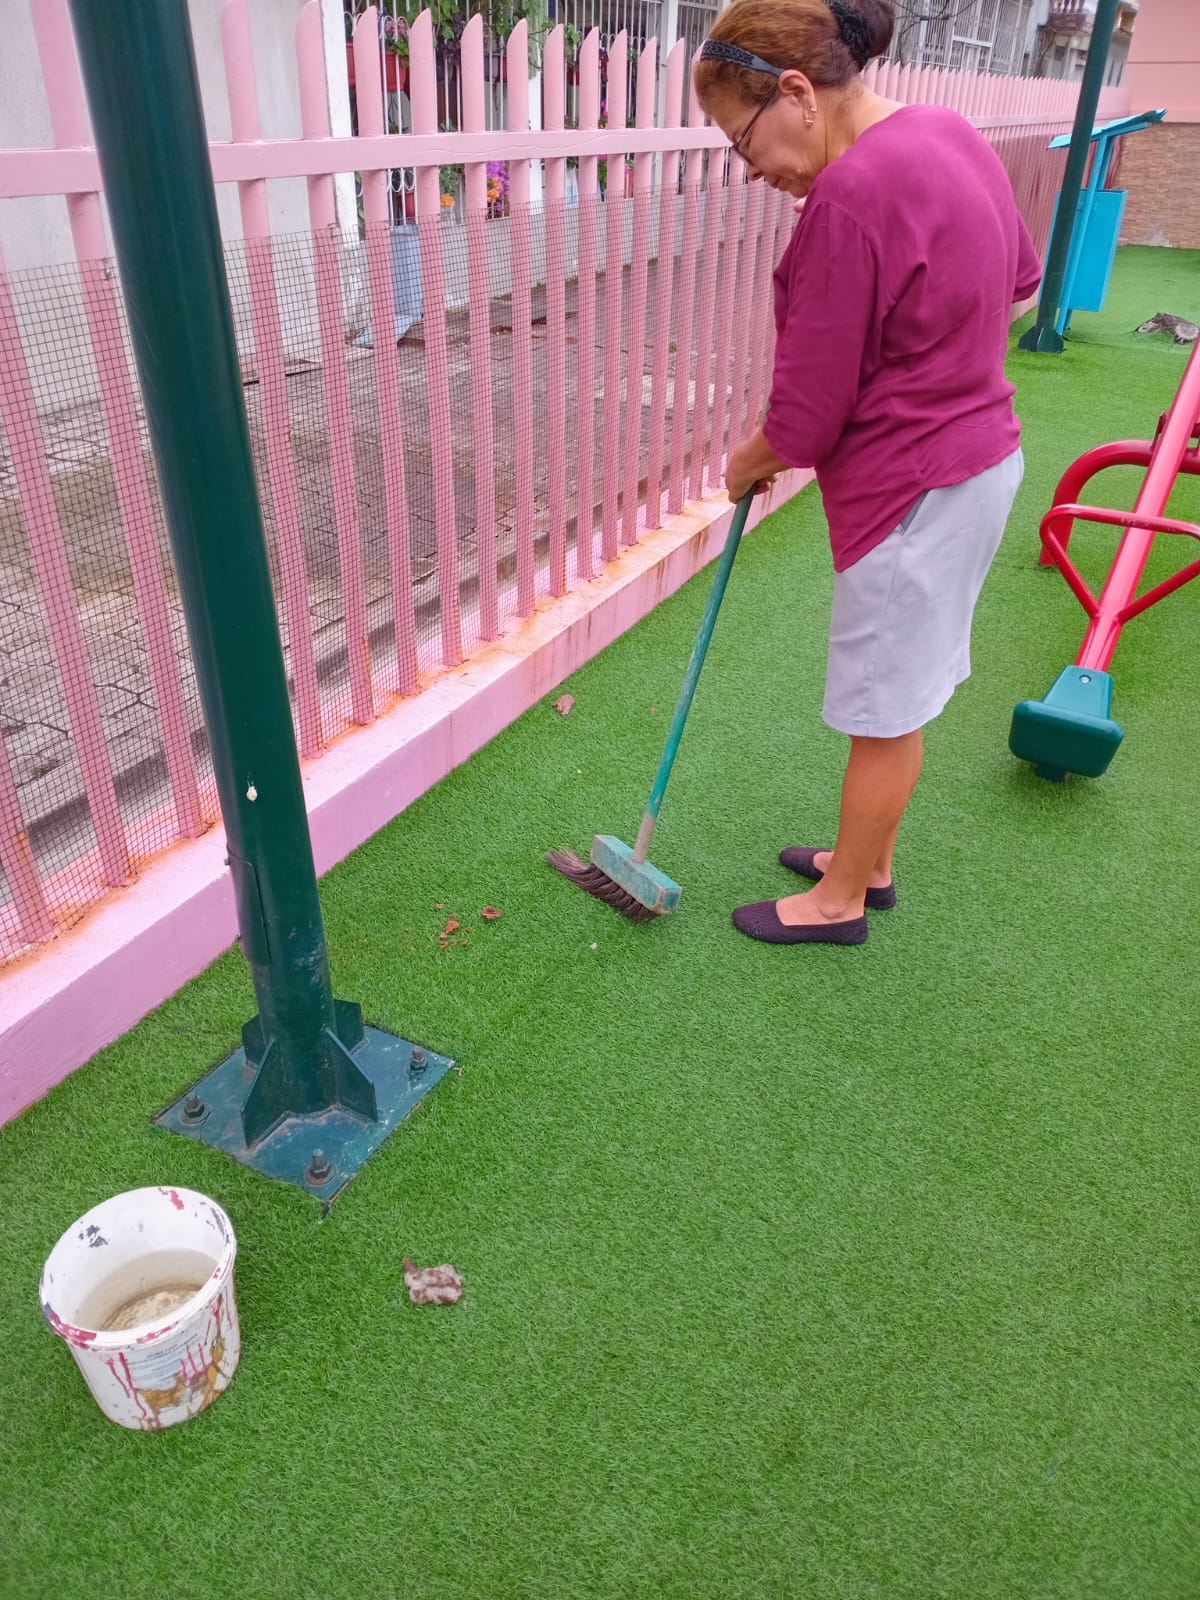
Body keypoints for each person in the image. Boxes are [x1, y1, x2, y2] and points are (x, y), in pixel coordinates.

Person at [694, 0, 1041, 947]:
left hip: (914, 488)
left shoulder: (848, 197)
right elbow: (1020, 282)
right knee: (905, 688)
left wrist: (745, 461)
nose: (752, 169)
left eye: (743, 140)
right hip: (983, 462)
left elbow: (805, 420)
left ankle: (841, 899)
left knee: (885, 706)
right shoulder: (946, 133)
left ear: (795, 92)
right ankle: (868, 860)